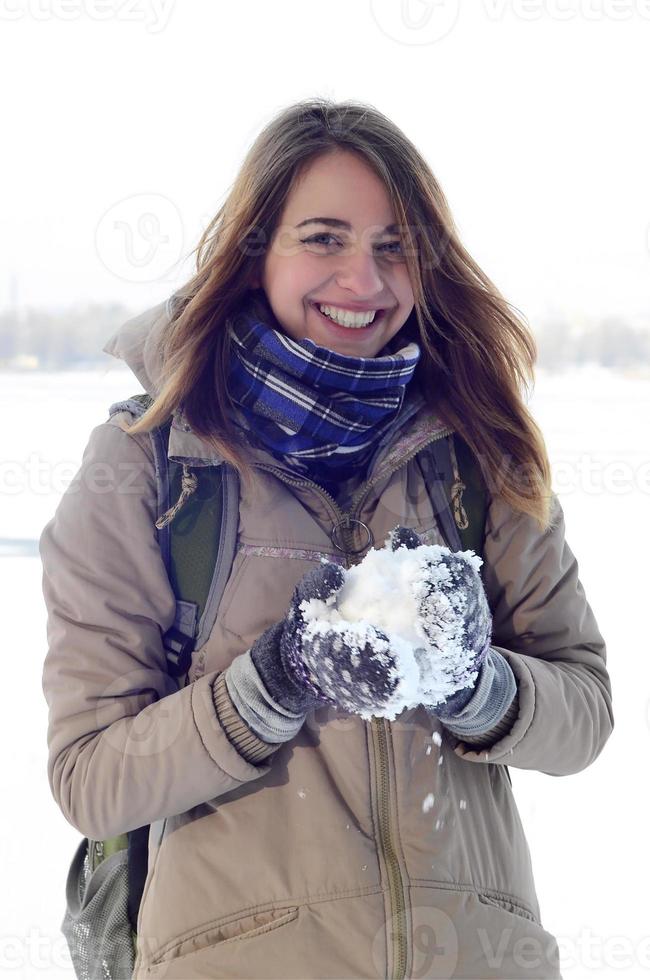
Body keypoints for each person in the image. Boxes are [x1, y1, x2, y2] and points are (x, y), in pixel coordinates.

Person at [40, 98, 613, 979]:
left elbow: (583, 714)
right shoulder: (151, 462)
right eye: (324, 238)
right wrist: (275, 680)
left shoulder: (477, 450)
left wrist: (476, 683)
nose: (365, 281)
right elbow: (89, 777)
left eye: (395, 246)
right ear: (254, 248)